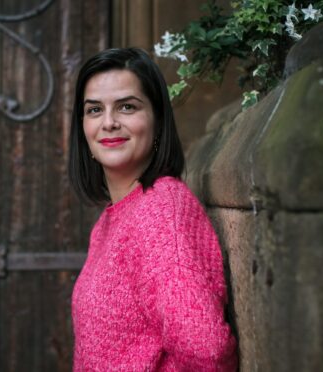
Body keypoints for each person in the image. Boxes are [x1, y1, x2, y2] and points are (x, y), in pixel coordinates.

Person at [68, 47, 238, 371]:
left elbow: (208, 351)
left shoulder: (161, 210)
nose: (108, 122)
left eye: (127, 107)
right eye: (93, 110)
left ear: (157, 120)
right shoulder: (110, 220)